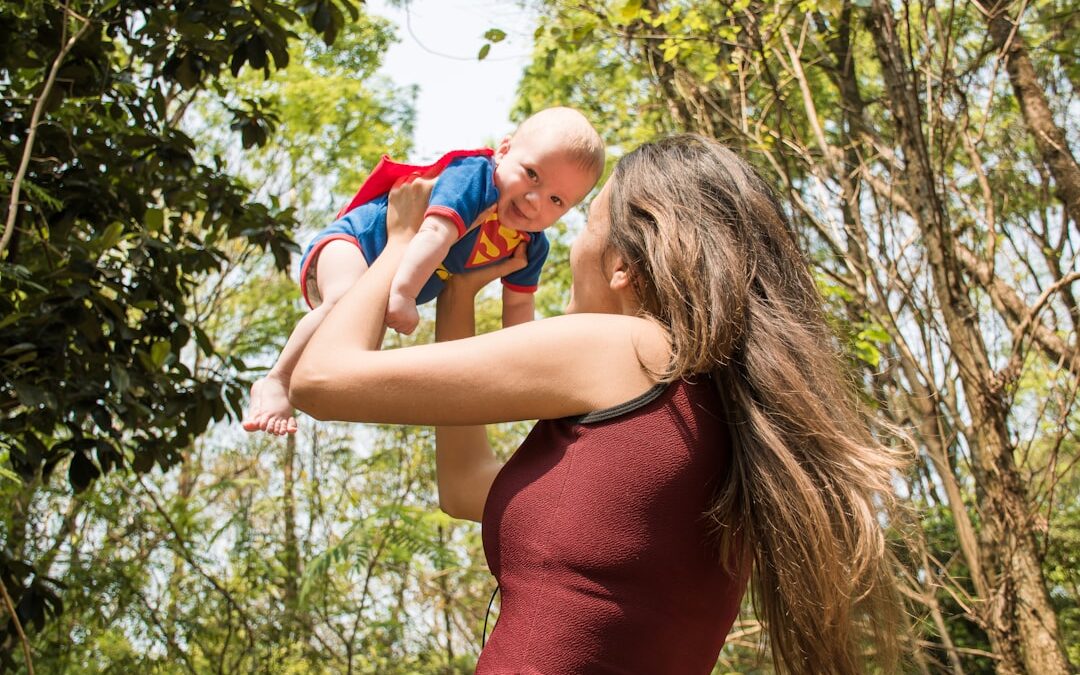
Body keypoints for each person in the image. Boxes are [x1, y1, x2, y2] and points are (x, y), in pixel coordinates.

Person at [289, 134, 906, 674]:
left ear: (623, 266)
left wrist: (402, 241)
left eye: (585, 223)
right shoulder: (716, 415)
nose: (567, 240)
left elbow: (321, 379)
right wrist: (459, 291)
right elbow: (464, 485)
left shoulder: (628, 348)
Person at [243, 106, 605, 435]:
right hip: (357, 242)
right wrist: (403, 293)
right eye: (532, 175)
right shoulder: (475, 179)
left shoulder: (530, 245)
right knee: (342, 300)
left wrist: (529, 368)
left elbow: (519, 309)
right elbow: (434, 232)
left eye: (556, 200)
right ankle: (277, 379)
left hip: (388, 277)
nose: (534, 201)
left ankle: (304, 383)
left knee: (357, 352)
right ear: (504, 151)